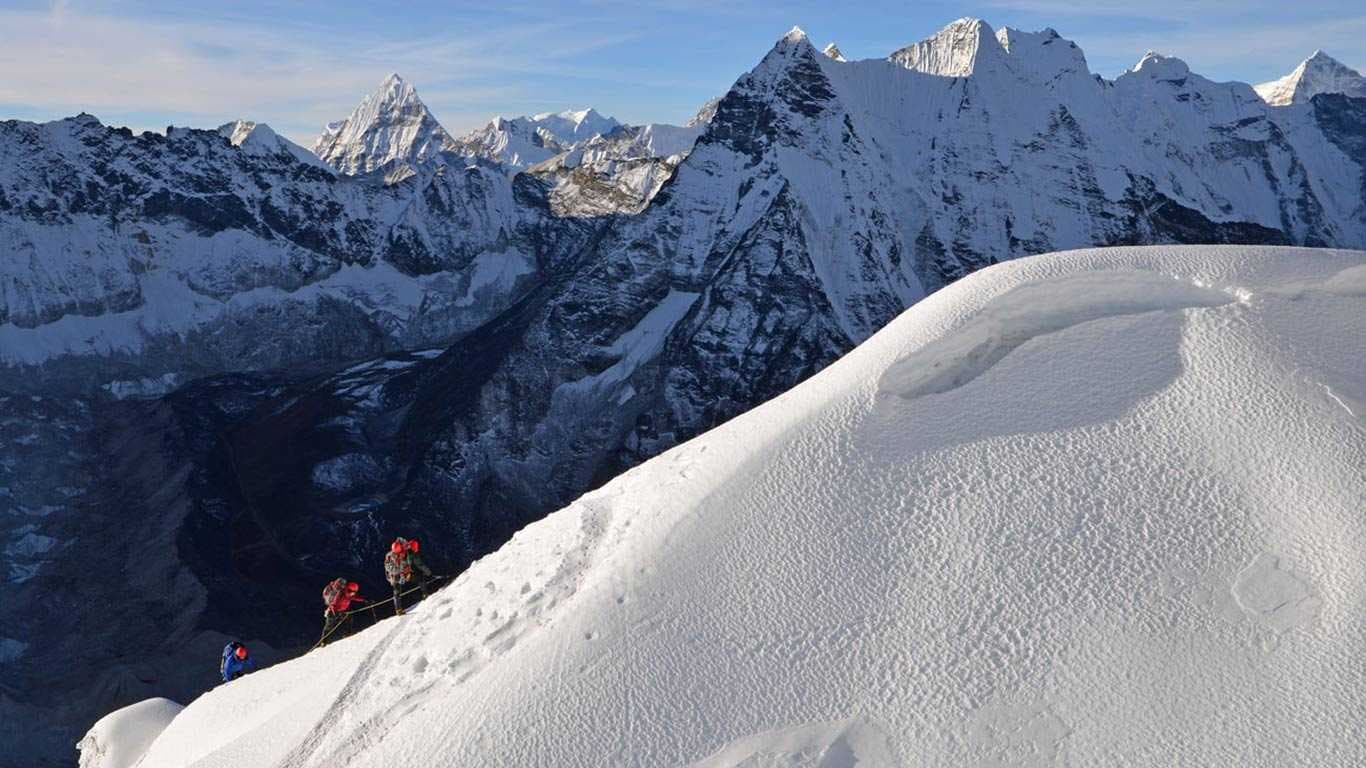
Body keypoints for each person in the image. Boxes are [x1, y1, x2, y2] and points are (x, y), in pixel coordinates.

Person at [384, 537, 432, 615]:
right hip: (402, 575)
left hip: (394, 577)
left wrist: (395, 577)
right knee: (420, 578)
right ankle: (425, 594)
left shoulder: (389, 556)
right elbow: (420, 565)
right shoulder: (406, 554)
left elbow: (387, 569)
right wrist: (429, 573)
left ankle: (398, 610)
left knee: (396, 592)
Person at [320, 578, 364, 646]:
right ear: (347, 589)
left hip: (341, 612)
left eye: (354, 592)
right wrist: (335, 612)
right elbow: (333, 604)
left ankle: (348, 634)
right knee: (329, 627)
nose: (352, 594)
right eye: (351, 591)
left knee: (349, 619)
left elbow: (355, 598)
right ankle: (323, 642)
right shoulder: (340, 594)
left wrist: (364, 600)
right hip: (332, 612)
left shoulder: (349, 595)